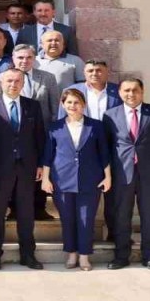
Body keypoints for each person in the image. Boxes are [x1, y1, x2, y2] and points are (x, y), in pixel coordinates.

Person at [104, 78, 150, 271]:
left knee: (149, 216)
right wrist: (106, 174)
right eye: (126, 90)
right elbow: (106, 147)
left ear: (142, 92)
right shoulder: (110, 115)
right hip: (121, 174)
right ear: (119, 93)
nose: (131, 94)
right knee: (121, 216)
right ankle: (121, 256)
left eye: (135, 90)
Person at [0, 68, 46, 270]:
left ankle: (28, 254)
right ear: (1, 82)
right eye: (9, 80)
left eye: (17, 81)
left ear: (23, 83)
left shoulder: (33, 106)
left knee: (26, 212)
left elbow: (40, 137)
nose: (13, 84)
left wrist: (41, 164)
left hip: (27, 167)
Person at [42, 88, 112, 271]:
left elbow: (104, 153)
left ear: (84, 105)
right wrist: (45, 179)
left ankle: (84, 256)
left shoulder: (96, 126)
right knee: (67, 219)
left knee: (86, 219)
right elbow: (48, 155)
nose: (73, 106)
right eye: (69, 102)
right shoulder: (54, 127)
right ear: (63, 105)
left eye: (76, 102)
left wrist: (108, 177)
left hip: (90, 180)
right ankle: (71, 253)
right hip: (61, 180)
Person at [0, 44, 60, 220]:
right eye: (20, 58)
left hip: (41, 134)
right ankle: (13, 208)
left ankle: (40, 208)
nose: (24, 61)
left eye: (29, 57)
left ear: (34, 59)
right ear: (13, 59)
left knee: (38, 171)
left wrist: (54, 133)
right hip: (11, 135)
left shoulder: (48, 78)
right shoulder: (1, 77)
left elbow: (55, 108)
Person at [61, 60, 122, 240]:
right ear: (84, 72)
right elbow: (62, 118)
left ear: (106, 72)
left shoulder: (116, 92)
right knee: (83, 195)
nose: (94, 73)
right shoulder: (73, 90)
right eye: (90, 70)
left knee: (113, 195)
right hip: (81, 150)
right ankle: (82, 236)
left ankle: (114, 233)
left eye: (99, 70)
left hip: (112, 147)